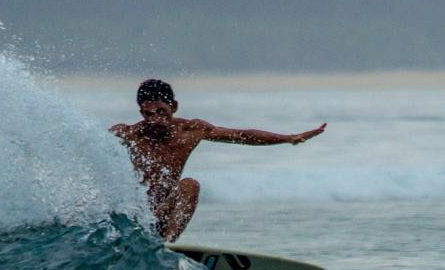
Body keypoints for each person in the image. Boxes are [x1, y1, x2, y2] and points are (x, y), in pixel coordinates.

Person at [110, 79, 326, 240]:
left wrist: (288, 138)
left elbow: (241, 135)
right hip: (134, 215)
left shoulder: (191, 130)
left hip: (165, 215)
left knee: (190, 185)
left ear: (174, 107)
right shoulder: (126, 134)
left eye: (161, 111)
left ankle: (167, 245)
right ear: (141, 112)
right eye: (148, 114)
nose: (155, 119)